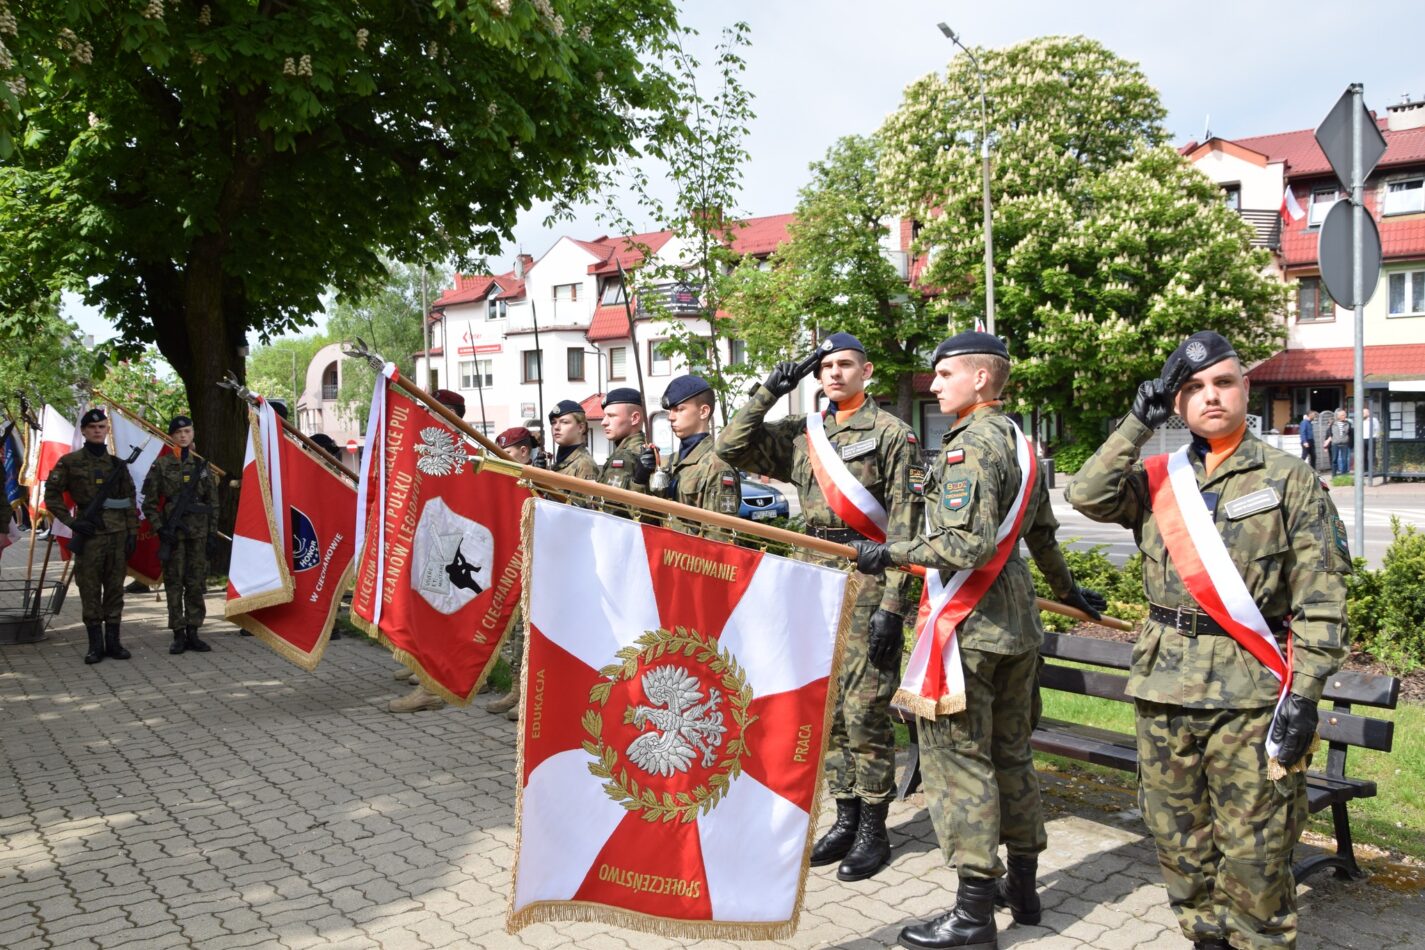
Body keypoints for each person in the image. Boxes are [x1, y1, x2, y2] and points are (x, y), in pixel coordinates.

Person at [1066, 331, 1350, 950]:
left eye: (1223, 382)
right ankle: (1205, 938)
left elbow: (1322, 599)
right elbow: (1085, 494)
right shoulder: (1158, 477)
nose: (1210, 396)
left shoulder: (1289, 478)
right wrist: (1137, 423)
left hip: (1250, 696)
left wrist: (1304, 696)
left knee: (1256, 855)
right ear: (1177, 403)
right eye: (1193, 388)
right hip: (1163, 687)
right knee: (1179, 845)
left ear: (1246, 389)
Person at [849, 331, 1104, 950]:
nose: (934, 384)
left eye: (944, 375)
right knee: (1012, 755)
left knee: (959, 763)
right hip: (1016, 625)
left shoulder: (970, 447)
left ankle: (972, 915)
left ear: (981, 378)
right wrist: (1069, 591)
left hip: (971, 628)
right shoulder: (1021, 442)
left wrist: (889, 552)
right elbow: (1041, 534)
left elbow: (966, 545)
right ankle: (1024, 888)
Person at [715, 332, 921, 882]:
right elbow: (729, 448)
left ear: (866, 371)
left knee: (865, 710)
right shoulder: (805, 432)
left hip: (869, 581)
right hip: (814, 582)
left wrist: (893, 607)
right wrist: (768, 391)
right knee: (824, 707)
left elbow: (906, 523)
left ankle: (875, 827)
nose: (834, 373)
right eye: (825, 366)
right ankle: (845, 814)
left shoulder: (891, 433)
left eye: (845, 364)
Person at [389, 388, 470, 713]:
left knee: (437, 612)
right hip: (430, 538)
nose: (428, 416)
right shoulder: (436, 448)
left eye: (434, 411)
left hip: (448, 544)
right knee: (424, 610)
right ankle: (426, 670)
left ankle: (431, 689)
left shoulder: (461, 451)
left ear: (451, 415)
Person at [44, 408, 139, 664]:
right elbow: (51, 495)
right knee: (89, 588)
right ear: (84, 431)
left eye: (102, 427)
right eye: (93, 427)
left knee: (115, 589)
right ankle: (95, 645)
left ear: (107, 430)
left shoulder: (117, 464)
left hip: (117, 535)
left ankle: (114, 643)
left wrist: (132, 532)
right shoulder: (70, 462)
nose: (98, 431)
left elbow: (129, 500)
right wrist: (72, 523)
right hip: (90, 536)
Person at [141, 415, 219, 655]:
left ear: (192, 434)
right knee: (174, 584)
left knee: (195, 583)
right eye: (178, 433)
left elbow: (213, 503)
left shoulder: (202, 466)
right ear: (171, 436)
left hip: (198, 534)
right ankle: (178, 633)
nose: (183, 436)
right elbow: (149, 504)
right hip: (173, 535)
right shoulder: (161, 465)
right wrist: (160, 529)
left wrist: (212, 534)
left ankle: (193, 631)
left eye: (187, 431)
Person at [485, 425, 535, 721]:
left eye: (505, 452)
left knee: (527, 633)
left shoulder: (537, 478)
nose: (500, 457)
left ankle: (526, 693)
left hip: (536, 563)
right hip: (517, 564)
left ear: (523, 452)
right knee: (517, 631)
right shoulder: (510, 481)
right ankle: (516, 688)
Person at [650, 375, 741, 534]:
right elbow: (648, 517)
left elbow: (718, 537)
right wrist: (640, 478)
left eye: (679, 409)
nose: (670, 417)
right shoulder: (670, 462)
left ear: (703, 412)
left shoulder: (717, 466)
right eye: (670, 410)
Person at [598, 388, 654, 492]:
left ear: (635, 418)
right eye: (605, 416)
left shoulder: (630, 455)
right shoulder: (627, 452)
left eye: (612, 416)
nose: (604, 422)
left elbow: (613, 500)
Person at [547, 400, 597, 480]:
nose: (556, 427)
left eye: (564, 422)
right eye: (553, 422)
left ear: (581, 428)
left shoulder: (584, 465)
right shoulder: (561, 460)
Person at [1325, 408, 1352, 476]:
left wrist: (1350, 442)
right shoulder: (1333, 424)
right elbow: (1330, 433)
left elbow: (1350, 433)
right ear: (1338, 416)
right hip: (1335, 444)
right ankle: (1334, 475)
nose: (1345, 416)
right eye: (1343, 415)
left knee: (1344, 459)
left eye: (1345, 415)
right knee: (1334, 459)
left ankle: (1344, 474)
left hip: (1345, 444)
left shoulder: (1348, 423)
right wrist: (1330, 441)